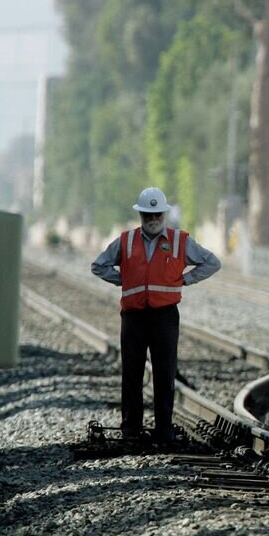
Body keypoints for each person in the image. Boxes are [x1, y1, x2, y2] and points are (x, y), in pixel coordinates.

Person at [91, 187, 222, 443]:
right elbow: (98, 265)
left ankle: (164, 430)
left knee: (164, 373)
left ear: (164, 214)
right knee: (131, 374)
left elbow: (212, 262)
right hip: (134, 316)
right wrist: (123, 280)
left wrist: (186, 280)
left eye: (157, 215)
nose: (153, 220)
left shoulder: (179, 241)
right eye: (148, 215)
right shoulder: (126, 241)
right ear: (140, 215)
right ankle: (131, 430)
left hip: (165, 316)